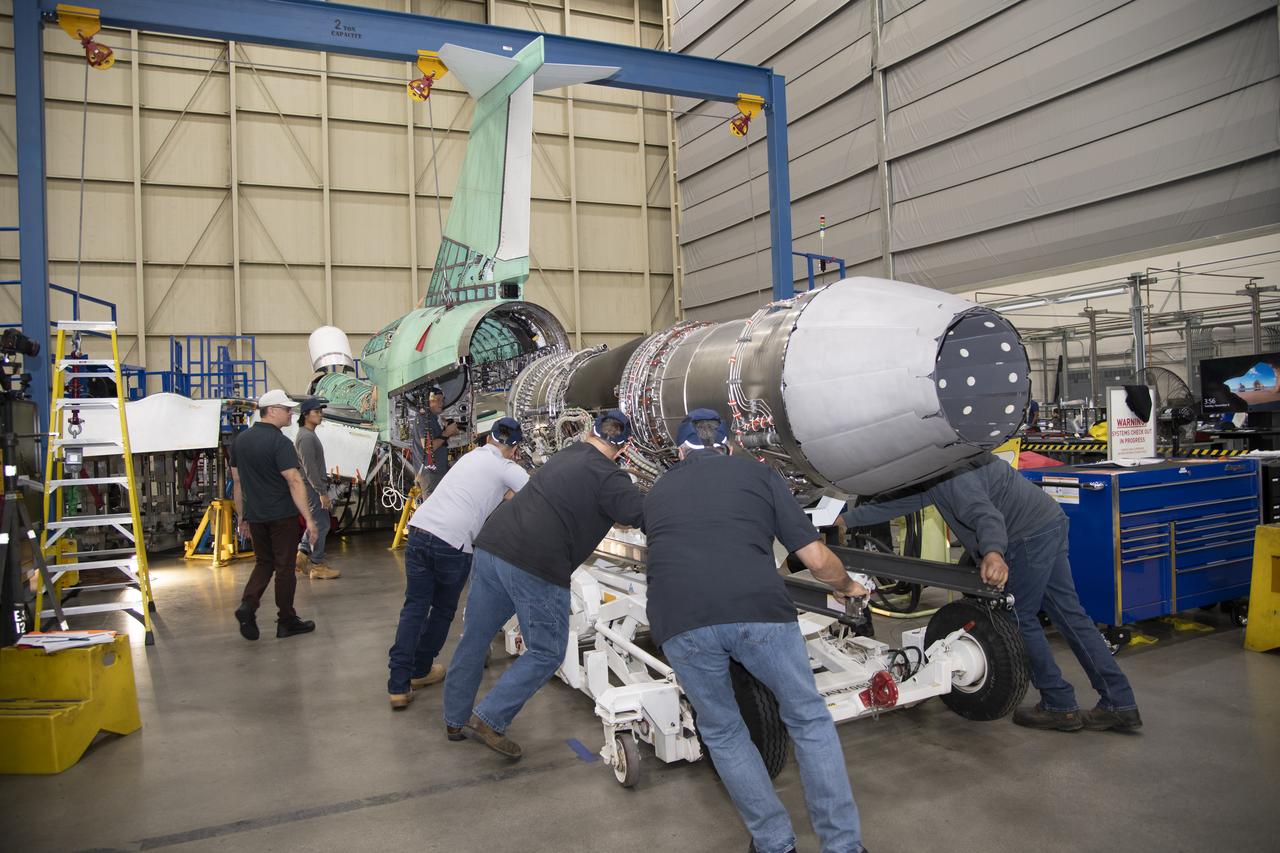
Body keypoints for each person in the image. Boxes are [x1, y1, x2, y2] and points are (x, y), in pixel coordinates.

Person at [644, 409, 869, 853]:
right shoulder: (760, 476)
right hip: (757, 609)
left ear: (679, 451)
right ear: (729, 444)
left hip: (679, 620)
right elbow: (818, 559)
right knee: (807, 719)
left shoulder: (657, 491)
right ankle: (842, 847)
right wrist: (847, 587)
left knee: (724, 732)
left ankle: (773, 843)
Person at [844, 451, 1141, 733]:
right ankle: (1120, 701)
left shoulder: (950, 472)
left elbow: (985, 515)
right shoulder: (937, 463)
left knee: (1016, 619)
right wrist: (846, 520)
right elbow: (906, 501)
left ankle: (1058, 703)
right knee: (1070, 615)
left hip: (1024, 536)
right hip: (1047, 522)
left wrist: (993, 552)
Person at [443, 409, 645, 758]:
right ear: (625, 446)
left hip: (493, 547)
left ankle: (454, 717)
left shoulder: (567, 454)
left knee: (476, 635)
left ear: (590, 432)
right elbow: (635, 513)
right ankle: (490, 718)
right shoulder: (611, 478)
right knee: (546, 650)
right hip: (536, 562)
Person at [387, 418, 530, 709]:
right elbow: (535, 496)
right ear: (514, 448)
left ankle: (398, 685)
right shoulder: (508, 468)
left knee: (414, 608)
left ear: (489, 438)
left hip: (420, 530)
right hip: (452, 543)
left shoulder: (471, 457)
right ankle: (420, 668)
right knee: (442, 610)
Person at [231, 390, 320, 641]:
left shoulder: (241, 441)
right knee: (284, 568)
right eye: (287, 409)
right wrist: (310, 520)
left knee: (264, 562)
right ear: (271, 411)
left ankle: (248, 605)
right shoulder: (280, 442)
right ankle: (287, 620)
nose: (291, 413)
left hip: (256, 515)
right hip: (282, 516)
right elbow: (293, 479)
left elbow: (237, 482)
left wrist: (242, 516)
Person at [294, 397, 340, 580]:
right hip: (313, 488)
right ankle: (317, 565)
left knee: (317, 523)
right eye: (316, 412)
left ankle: (302, 554)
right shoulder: (305, 437)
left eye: (320, 412)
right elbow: (310, 469)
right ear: (306, 415)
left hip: (313, 486)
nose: (320, 415)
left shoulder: (308, 434)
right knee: (322, 524)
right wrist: (322, 492)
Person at [422, 386, 460, 493]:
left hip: (439, 470)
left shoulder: (435, 418)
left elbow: (439, 439)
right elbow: (428, 447)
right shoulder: (423, 418)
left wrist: (450, 431)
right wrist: (447, 433)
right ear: (428, 401)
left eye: (442, 400)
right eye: (437, 400)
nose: (441, 403)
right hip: (431, 474)